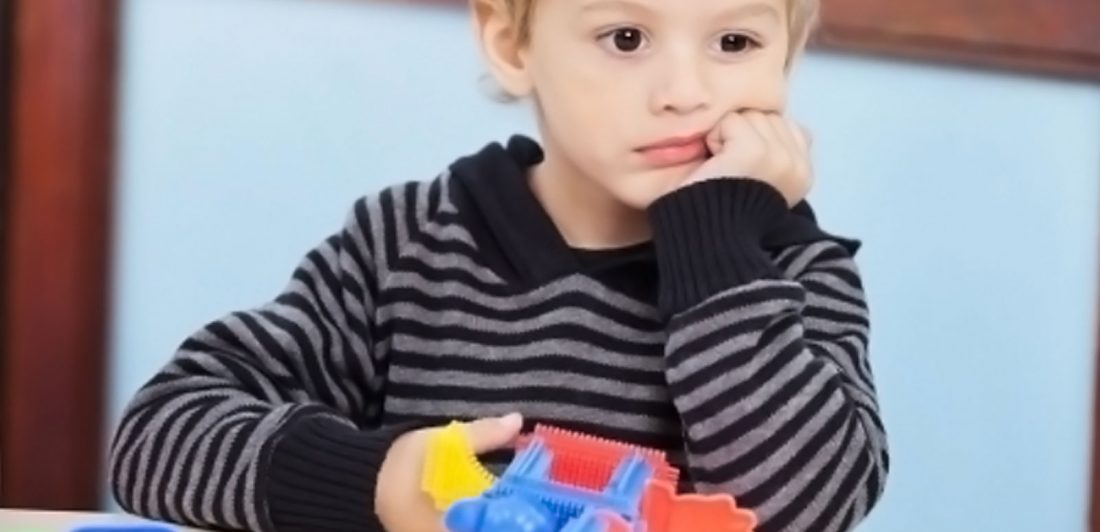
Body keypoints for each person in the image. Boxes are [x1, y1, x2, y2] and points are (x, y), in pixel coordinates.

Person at [108, 0, 888, 530]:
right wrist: (377, 483)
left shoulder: (788, 274)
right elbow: (156, 436)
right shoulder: (405, 243)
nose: (686, 93)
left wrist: (716, 247)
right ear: (512, 43)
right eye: (625, 37)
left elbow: (802, 511)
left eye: (735, 42)